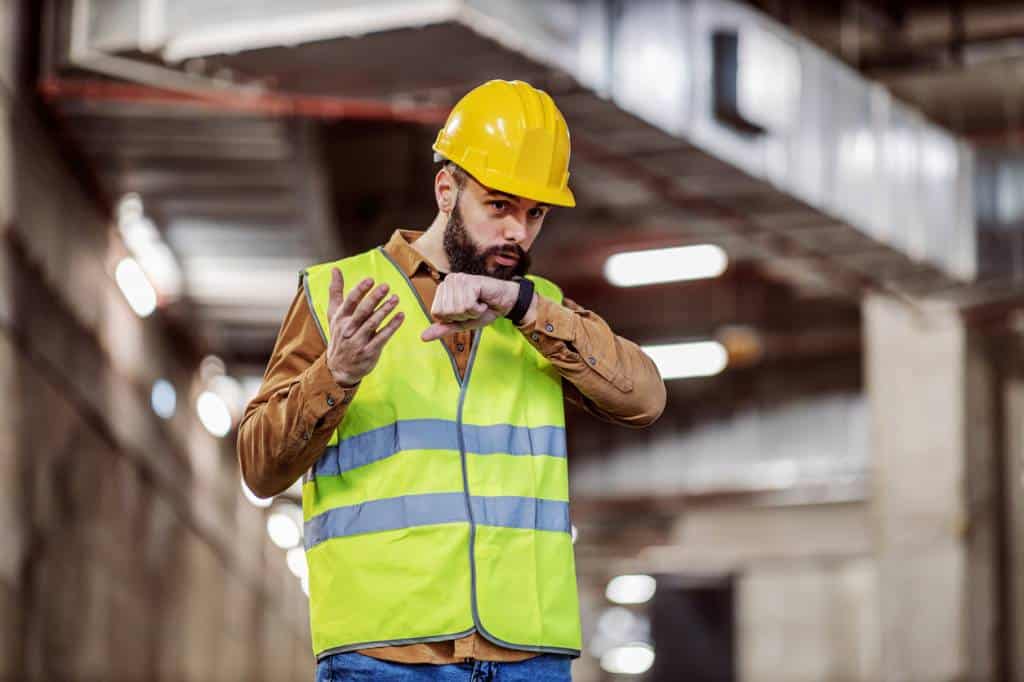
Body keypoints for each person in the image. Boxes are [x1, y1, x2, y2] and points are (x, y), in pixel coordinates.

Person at [238, 79, 666, 682]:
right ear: (446, 189)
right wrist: (336, 373)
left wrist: (526, 312)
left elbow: (646, 398)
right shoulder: (338, 295)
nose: (518, 232)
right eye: (499, 206)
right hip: (385, 655)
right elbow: (259, 466)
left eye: (534, 213)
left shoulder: (542, 311)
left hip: (527, 655)